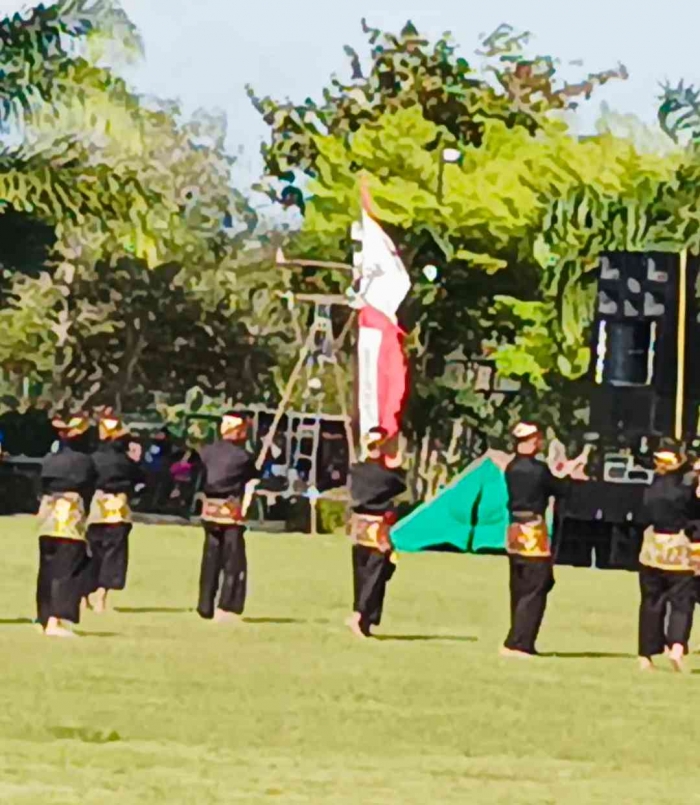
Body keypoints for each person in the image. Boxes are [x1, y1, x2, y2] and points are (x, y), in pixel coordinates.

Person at [500, 422, 568, 659]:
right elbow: (559, 489)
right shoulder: (538, 470)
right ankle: (523, 641)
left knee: (518, 586)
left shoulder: (511, 467)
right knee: (536, 586)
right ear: (531, 440)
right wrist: (567, 473)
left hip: (513, 531)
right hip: (533, 532)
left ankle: (513, 638)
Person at [36, 414, 96, 638]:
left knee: (47, 570)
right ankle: (57, 619)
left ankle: (43, 617)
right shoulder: (85, 462)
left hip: (47, 519)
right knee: (67, 569)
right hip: (70, 519)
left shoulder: (51, 459)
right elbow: (90, 487)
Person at [197, 412, 260, 623]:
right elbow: (253, 478)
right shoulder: (243, 457)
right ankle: (227, 606)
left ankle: (205, 605)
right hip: (231, 512)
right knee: (233, 561)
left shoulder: (206, 452)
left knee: (210, 558)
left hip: (209, 511)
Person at [637, 447, 695, 672]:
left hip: (652, 548)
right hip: (678, 548)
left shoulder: (649, 490)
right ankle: (677, 646)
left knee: (651, 602)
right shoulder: (684, 491)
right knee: (681, 601)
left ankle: (645, 654)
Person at [346, 427, 406, 639]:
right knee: (377, 573)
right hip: (378, 527)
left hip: (358, 526)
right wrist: (398, 466)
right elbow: (400, 485)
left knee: (362, 573)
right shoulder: (385, 475)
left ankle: (364, 616)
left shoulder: (356, 470)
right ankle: (362, 614)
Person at [84, 412, 143, 613]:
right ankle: (101, 597)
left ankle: (84, 596)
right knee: (113, 555)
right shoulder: (127, 462)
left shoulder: (92, 459)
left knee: (91, 552)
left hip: (96, 508)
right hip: (119, 508)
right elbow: (140, 480)